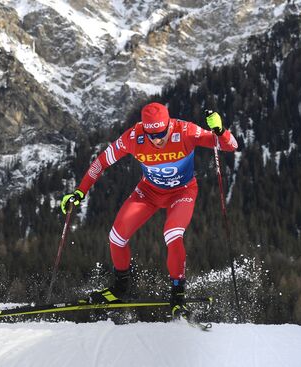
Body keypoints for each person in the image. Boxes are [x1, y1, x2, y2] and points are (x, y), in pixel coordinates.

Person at [61, 102, 238, 317]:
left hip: (182, 192)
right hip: (149, 192)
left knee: (172, 234)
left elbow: (230, 145)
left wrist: (220, 131)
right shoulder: (134, 137)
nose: (156, 139)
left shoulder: (185, 131)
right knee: (116, 237)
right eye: (151, 134)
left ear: (168, 126)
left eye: (161, 133)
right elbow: (101, 162)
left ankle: (178, 293)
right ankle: (121, 288)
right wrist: (79, 192)